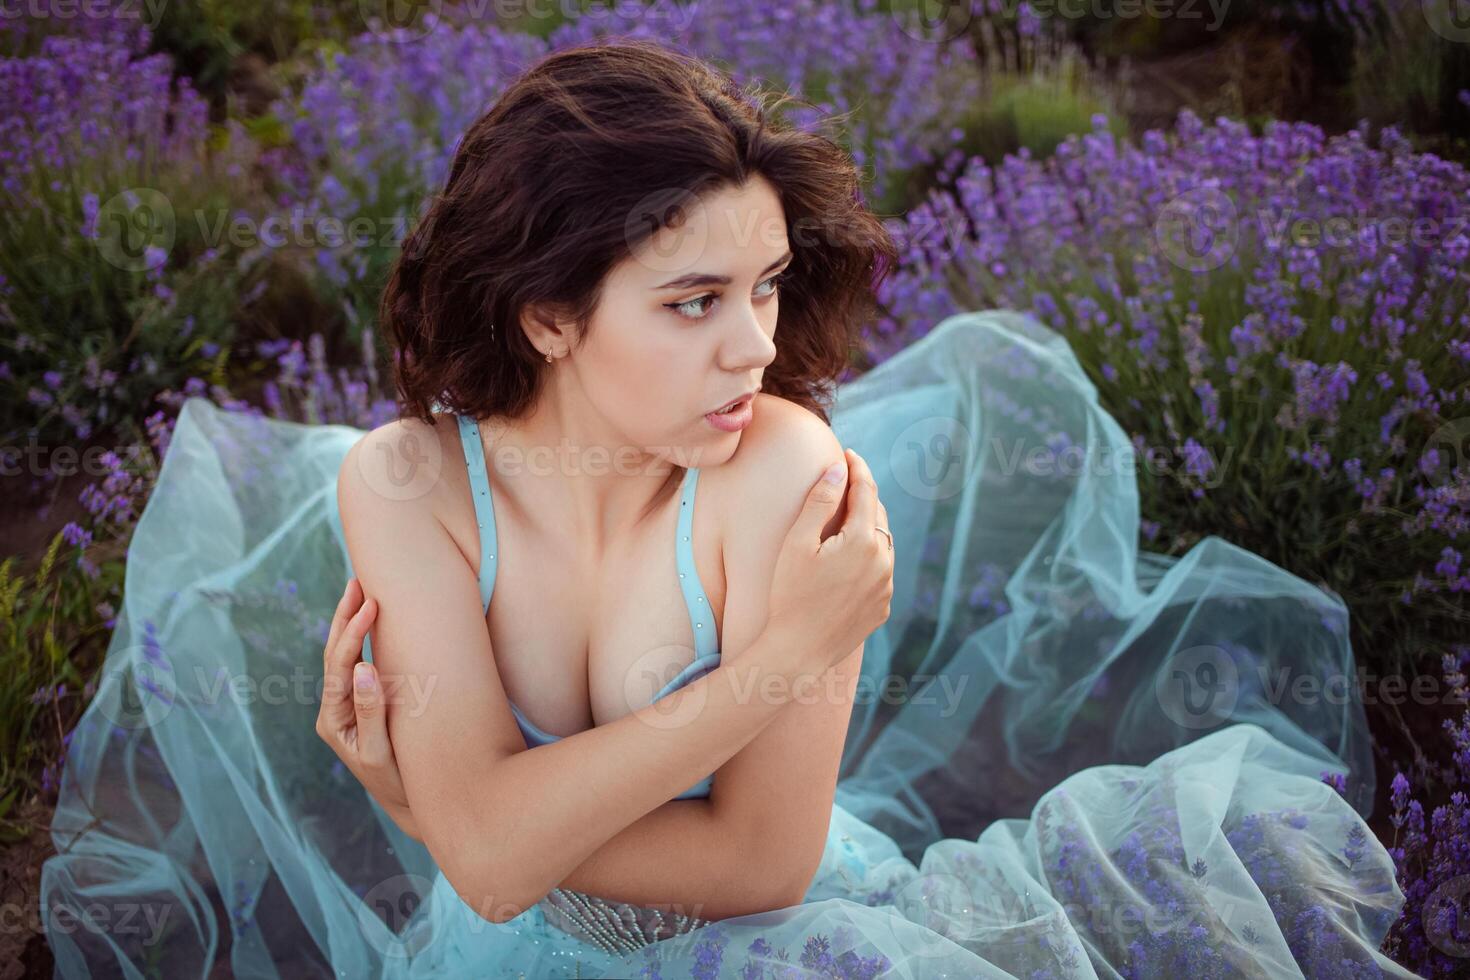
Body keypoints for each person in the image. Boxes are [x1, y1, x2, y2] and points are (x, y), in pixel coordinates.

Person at [43, 39, 1414, 979]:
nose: (753, 346)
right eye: (693, 302)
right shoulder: (403, 481)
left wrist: (461, 818)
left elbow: (760, 862)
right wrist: (761, 668)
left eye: (763, 285)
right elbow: (488, 862)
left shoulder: (783, 474)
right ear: (547, 315)